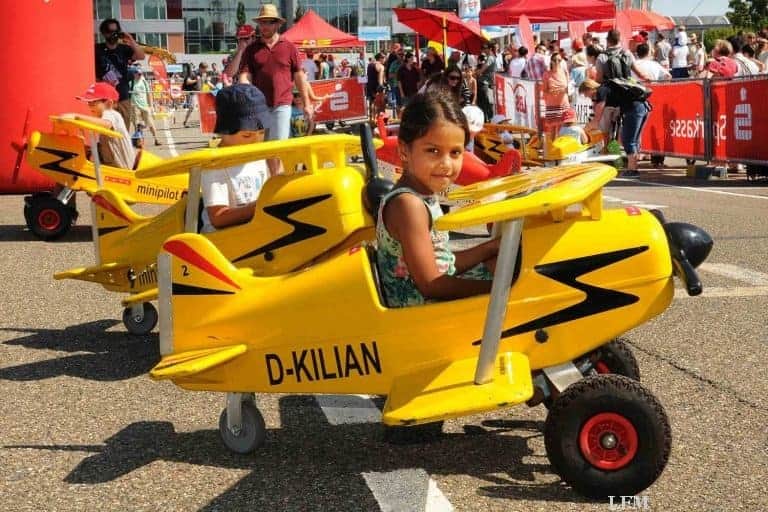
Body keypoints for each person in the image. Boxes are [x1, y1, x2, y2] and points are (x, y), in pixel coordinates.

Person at [375, 91, 499, 307]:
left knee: (504, 261)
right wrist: (502, 289)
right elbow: (432, 284)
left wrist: (490, 248)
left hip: (433, 297)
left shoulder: (423, 194)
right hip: (423, 312)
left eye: (455, 153)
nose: (446, 164)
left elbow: (443, 262)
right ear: (404, 151)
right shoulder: (408, 205)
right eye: (433, 151)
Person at [226, 4, 312, 175]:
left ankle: (280, 180)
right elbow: (245, 75)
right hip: (260, 107)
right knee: (267, 149)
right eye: (262, 22)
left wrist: (307, 103)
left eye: (269, 22)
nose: (264, 26)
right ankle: (275, 178)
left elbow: (299, 76)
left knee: (279, 145)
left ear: (277, 24)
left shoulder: (289, 47)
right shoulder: (251, 49)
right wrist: (245, 93)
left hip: (282, 104)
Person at [201, 83, 270, 233]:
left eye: (261, 133)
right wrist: (261, 206)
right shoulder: (214, 165)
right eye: (247, 135)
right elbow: (218, 218)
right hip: (222, 239)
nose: (256, 141)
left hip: (254, 230)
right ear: (224, 131)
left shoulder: (258, 157)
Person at [65, 82, 135, 170]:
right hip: (112, 162)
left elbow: (107, 124)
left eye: (93, 103)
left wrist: (77, 116)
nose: (90, 107)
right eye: (88, 103)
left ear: (109, 103)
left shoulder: (111, 114)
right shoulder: (102, 117)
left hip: (122, 167)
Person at [95, 18, 145, 130]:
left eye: (116, 31)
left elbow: (141, 56)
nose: (114, 34)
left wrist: (130, 40)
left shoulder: (124, 49)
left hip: (122, 97)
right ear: (104, 33)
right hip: (104, 98)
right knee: (106, 132)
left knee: (123, 130)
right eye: (110, 31)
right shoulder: (97, 49)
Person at [542, 52, 570, 142]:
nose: (557, 62)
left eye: (559, 60)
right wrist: (553, 91)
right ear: (551, 61)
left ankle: (560, 148)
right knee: (552, 130)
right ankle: (552, 148)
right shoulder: (546, 74)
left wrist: (566, 90)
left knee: (562, 130)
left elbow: (569, 87)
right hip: (552, 105)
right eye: (555, 60)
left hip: (563, 104)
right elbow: (544, 90)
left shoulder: (564, 72)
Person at [130, 69, 162, 146]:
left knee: (150, 124)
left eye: (141, 74)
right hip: (135, 106)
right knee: (136, 125)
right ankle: (139, 141)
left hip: (145, 106)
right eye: (138, 74)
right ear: (134, 74)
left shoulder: (144, 82)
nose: (140, 75)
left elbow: (149, 94)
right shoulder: (131, 82)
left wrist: (151, 106)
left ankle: (156, 139)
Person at [476, 44, 497, 121]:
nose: (483, 50)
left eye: (485, 48)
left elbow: (482, 70)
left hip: (485, 82)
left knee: (485, 102)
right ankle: (486, 119)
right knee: (483, 102)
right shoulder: (488, 57)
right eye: (482, 48)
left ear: (490, 48)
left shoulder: (490, 58)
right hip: (484, 82)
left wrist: (475, 72)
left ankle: (489, 119)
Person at [182, 63, 207, 127]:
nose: (206, 70)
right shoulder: (193, 73)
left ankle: (203, 122)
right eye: (205, 69)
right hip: (193, 93)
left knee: (203, 108)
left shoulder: (203, 74)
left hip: (200, 93)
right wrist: (196, 80)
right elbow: (188, 82)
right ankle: (185, 121)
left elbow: (207, 82)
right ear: (201, 68)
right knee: (191, 107)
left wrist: (215, 88)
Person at [366, 53, 386, 120]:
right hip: (377, 87)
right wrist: (381, 87)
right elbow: (380, 78)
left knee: (371, 102)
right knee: (380, 104)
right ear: (380, 58)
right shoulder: (381, 66)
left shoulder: (370, 65)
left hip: (369, 86)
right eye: (384, 58)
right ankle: (379, 119)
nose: (385, 59)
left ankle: (371, 119)